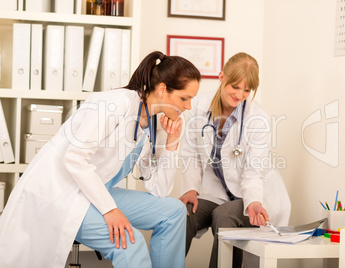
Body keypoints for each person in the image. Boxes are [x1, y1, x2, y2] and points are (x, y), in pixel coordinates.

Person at [0, 51, 201, 268]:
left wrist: (172, 143)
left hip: (96, 192)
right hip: (64, 193)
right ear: (163, 89)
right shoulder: (115, 103)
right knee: (130, 242)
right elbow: (74, 158)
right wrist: (110, 210)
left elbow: (159, 190)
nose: (188, 107)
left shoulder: (155, 123)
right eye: (184, 98)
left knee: (174, 212)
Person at [179, 52, 291, 268]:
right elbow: (191, 153)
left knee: (224, 217)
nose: (240, 94)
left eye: (247, 89)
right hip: (217, 192)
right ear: (222, 77)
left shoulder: (257, 118)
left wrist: (254, 201)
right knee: (181, 214)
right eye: (235, 87)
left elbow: (253, 172)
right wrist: (190, 189)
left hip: (253, 195)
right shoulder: (199, 106)